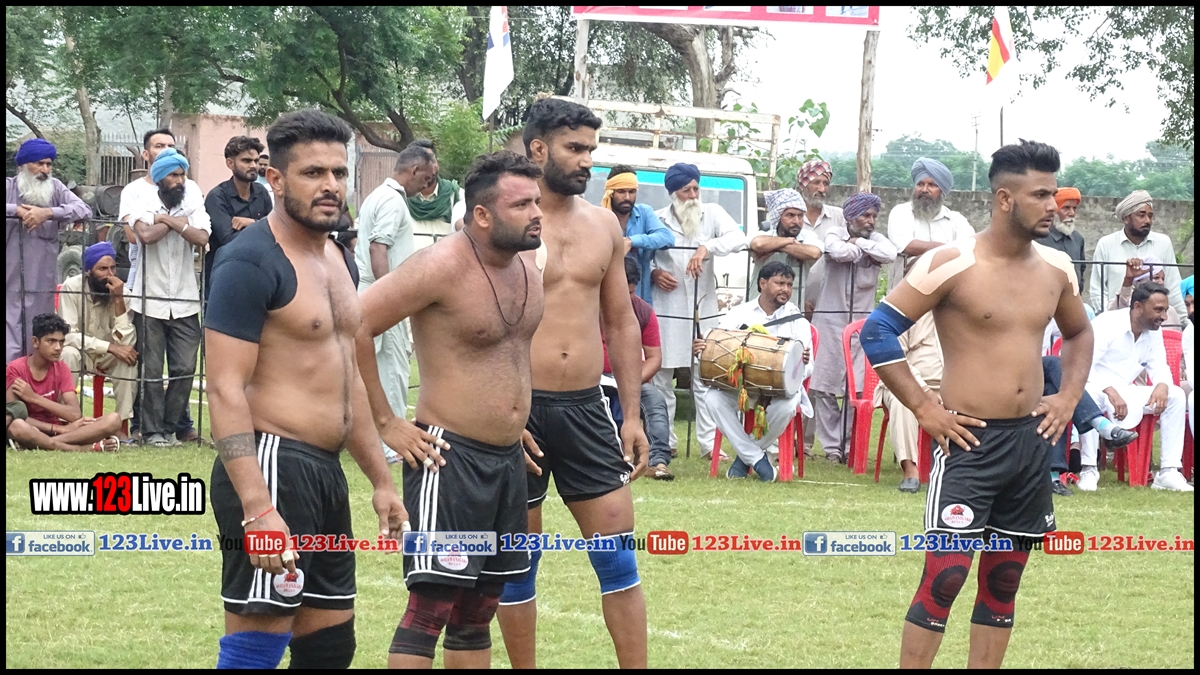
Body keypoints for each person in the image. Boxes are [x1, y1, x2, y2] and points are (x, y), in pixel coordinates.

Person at [862, 139, 1093, 668]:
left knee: (1004, 579)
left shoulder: (1057, 267)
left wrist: (1068, 396)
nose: (1053, 205)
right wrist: (925, 408)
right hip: (969, 443)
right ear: (1005, 199)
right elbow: (878, 331)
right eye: (1040, 195)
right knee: (945, 578)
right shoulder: (951, 262)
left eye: (1054, 193)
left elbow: (1079, 334)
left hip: (1030, 443)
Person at [204, 109, 407, 669]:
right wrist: (257, 509)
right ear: (275, 179)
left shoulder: (339, 258)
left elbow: (349, 382)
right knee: (258, 642)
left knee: (329, 647)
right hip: (273, 464)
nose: (330, 186)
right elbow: (223, 388)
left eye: (339, 173)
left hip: (324, 471)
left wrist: (382, 481)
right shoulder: (249, 260)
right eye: (313, 173)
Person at [355, 151, 544, 668]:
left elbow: (506, 355)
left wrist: (511, 419)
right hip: (448, 458)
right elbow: (354, 325)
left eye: (537, 202)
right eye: (521, 204)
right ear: (482, 214)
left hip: (506, 460)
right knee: (430, 610)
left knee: (477, 612)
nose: (536, 213)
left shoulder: (528, 268)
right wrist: (387, 421)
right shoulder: (439, 265)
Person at [496, 98, 649, 670]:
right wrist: (496, 410)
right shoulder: (503, 219)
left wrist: (630, 415)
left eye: (591, 149)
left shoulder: (604, 225)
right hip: (518, 412)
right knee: (518, 563)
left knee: (619, 560)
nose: (588, 161)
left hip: (587, 406)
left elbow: (621, 322)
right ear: (538, 149)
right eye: (576, 149)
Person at [650, 162, 747, 460]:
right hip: (666, 308)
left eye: (695, 189)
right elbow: (645, 257)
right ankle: (665, 441)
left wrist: (706, 248)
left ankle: (708, 445)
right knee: (662, 378)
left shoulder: (712, 213)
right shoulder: (657, 218)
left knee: (704, 378)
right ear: (673, 194)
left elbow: (738, 238)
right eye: (686, 191)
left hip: (702, 308)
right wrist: (654, 272)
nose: (693, 196)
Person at [354, 143, 438, 463]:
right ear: (414, 171)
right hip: (380, 293)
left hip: (370, 292)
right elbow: (379, 247)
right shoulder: (391, 200)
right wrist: (389, 295)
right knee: (392, 370)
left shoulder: (378, 195)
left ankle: (372, 437)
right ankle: (390, 446)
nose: (426, 186)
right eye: (426, 179)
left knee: (374, 369)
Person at [696, 261, 813, 482]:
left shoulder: (798, 321)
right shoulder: (739, 313)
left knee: (789, 405)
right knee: (712, 398)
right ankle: (758, 459)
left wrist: (798, 365)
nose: (785, 289)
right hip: (743, 388)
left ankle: (744, 459)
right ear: (762, 283)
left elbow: (808, 367)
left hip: (779, 391)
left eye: (789, 285)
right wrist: (702, 349)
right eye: (780, 283)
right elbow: (718, 345)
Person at [125, 148, 210, 448]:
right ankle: (151, 432)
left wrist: (168, 221)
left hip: (185, 299)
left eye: (182, 174)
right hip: (149, 299)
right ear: (160, 178)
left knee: (184, 368)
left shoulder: (192, 201)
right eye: (173, 175)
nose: (179, 180)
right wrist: (180, 223)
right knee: (150, 370)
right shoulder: (143, 201)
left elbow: (202, 237)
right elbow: (145, 237)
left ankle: (170, 427)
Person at [1076, 282, 1191, 492]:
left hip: (1127, 391)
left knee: (1175, 395)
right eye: (1158, 310)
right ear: (1137, 306)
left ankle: (1168, 471)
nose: (1164, 316)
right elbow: (1082, 366)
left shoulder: (1153, 331)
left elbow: (1160, 366)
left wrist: (1162, 385)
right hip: (1097, 387)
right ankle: (1089, 468)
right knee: (1088, 395)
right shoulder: (1107, 324)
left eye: (1165, 310)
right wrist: (1110, 390)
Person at [809, 192, 897, 463]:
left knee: (855, 387)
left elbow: (890, 253)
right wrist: (862, 249)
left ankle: (848, 446)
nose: (870, 220)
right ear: (850, 217)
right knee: (824, 385)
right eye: (865, 215)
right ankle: (832, 448)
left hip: (862, 325)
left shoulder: (875, 238)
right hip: (830, 320)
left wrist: (858, 242)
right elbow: (838, 251)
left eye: (873, 216)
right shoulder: (834, 233)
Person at [6, 138, 93, 363]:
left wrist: (48, 213)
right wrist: (16, 210)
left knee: (36, 337)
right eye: (39, 164)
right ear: (23, 166)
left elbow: (84, 209)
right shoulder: (8, 187)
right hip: (9, 283)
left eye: (48, 164)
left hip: (41, 286)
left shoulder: (55, 189)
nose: (45, 170)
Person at [6, 313, 121, 452]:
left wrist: (34, 398)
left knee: (114, 419)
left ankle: (39, 444)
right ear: (35, 342)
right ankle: (82, 448)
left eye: (61, 342)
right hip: (32, 428)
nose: (58, 347)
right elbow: (14, 415)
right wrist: (58, 429)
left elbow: (74, 414)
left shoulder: (61, 368)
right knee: (17, 426)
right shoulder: (15, 369)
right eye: (51, 341)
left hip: (61, 430)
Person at [602, 257, 672, 480]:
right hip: (589, 380)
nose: (626, 299)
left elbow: (654, 358)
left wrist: (629, 381)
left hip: (630, 379)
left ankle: (658, 462)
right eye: (621, 292)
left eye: (631, 293)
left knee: (655, 402)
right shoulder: (584, 308)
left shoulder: (643, 311)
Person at [59, 242, 138, 438]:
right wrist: (110, 347)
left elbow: (127, 343)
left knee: (128, 359)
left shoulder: (123, 292)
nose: (109, 275)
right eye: (102, 269)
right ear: (88, 271)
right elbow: (67, 335)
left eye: (112, 268)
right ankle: (66, 421)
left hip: (107, 356)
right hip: (81, 352)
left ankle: (120, 426)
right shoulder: (71, 287)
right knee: (68, 353)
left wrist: (118, 300)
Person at [795, 160, 846, 455]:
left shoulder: (837, 217)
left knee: (820, 375)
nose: (822, 188)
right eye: (816, 182)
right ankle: (799, 440)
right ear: (803, 184)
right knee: (796, 370)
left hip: (829, 307)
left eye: (825, 183)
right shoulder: (791, 214)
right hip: (793, 303)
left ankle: (812, 443)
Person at [1089, 190, 1186, 318]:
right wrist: (1107, 318)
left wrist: (1183, 320)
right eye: (1142, 215)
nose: (1148, 220)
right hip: (1117, 319)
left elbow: (1174, 286)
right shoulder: (1106, 244)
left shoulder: (1163, 243)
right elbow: (1097, 289)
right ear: (1126, 218)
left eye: (1150, 216)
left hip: (1156, 321)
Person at [873, 312, 941, 492]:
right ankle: (910, 471)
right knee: (903, 400)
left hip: (948, 386)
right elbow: (895, 360)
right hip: (905, 382)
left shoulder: (958, 313)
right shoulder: (906, 311)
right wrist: (924, 390)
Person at [885, 157, 974, 292]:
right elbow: (907, 246)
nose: (924, 190)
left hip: (944, 297)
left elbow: (970, 250)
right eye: (920, 184)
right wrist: (951, 250)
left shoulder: (957, 220)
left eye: (932, 185)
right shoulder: (901, 212)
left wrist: (953, 251)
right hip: (903, 294)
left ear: (942, 191)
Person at [203, 136, 273, 296]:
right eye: (246, 161)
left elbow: (277, 231)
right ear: (230, 163)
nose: (253, 165)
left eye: (256, 161)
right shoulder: (217, 196)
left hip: (258, 273)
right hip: (223, 276)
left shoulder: (261, 193)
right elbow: (228, 240)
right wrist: (263, 227)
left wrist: (253, 223)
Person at [601, 165, 675, 303]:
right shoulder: (599, 218)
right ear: (610, 192)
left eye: (632, 191)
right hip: (606, 299)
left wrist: (632, 241)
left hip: (640, 300)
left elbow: (667, 238)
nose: (627, 197)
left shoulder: (644, 213)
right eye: (621, 191)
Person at [748, 188, 823, 305]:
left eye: (800, 216)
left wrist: (775, 246)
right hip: (758, 309)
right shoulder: (764, 235)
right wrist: (790, 241)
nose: (796, 221)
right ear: (778, 217)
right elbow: (758, 244)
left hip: (791, 310)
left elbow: (814, 253)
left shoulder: (808, 236)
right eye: (790, 215)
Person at [404, 139, 467, 248]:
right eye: (421, 163)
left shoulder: (457, 196)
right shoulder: (401, 199)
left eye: (431, 161)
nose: (428, 167)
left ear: (438, 163)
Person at [1106, 256, 1183, 326]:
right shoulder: (1119, 303)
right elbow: (1123, 307)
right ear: (1139, 281)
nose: (1161, 282)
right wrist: (1128, 280)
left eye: (1163, 278)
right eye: (1156, 278)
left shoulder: (1171, 311)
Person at [1036, 186, 1086, 283]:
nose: (1072, 213)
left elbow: (1081, 271)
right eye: (1066, 208)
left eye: (1074, 208)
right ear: (1054, 210)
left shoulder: (1078, 239)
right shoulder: (1038, 239)